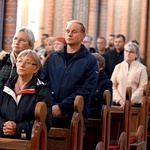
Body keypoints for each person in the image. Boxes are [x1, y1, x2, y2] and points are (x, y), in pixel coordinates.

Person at [41, 20, 98, 131]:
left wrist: (63, 107)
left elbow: (87, 89)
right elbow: (43, 83)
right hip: (50, 114)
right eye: (67, 31)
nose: (69, 34)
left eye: (74, 31)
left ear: (83, 36)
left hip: (75, 115)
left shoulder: (90, 60)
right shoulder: (53, 57)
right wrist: (53, 106)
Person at [0, 49, 52, 139]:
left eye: (27, 62)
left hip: (28, 143)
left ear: (35, 69)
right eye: (19, 61)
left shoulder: (42, 90)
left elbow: (45, 124)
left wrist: (18, 128)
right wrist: (3, 126)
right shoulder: (4, 86)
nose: (22, 65)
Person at [0, 27, 35, 95]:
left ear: (30, 45)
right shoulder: (2, 59)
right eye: (15, 38)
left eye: (22, 40)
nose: (17, 42)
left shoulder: (34, 64)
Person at [111, 42, 148, 107]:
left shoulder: (142, 68)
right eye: (126, 51)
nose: (128, 54)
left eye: (131, 52)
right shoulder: (118, 67)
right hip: (118, 103)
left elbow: (142, 87)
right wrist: (120, 100)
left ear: (136, 54)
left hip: (134, 104)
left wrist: (130, 101)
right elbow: (113, 85)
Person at [89, 53, 112, 119]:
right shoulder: (86, 79)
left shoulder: (106, 82)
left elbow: (104, 106)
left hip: (94, 117)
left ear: (100, 67)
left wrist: (85, 112)